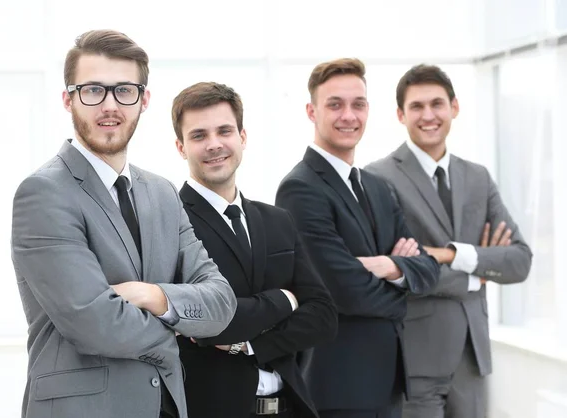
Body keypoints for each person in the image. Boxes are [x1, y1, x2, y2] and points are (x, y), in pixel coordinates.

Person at [11, 29, 237, 418]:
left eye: (124, 91)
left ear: (143, 99)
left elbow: (221, 302)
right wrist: (177, 329)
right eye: (93, 90)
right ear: (69, 99)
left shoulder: (163, 193)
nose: (109, 105)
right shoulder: (44, 193)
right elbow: (94, 323)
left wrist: (156, 297)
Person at [364, 64, 533, 418]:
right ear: (400, 114)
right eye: (417, 106)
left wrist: (450, 254)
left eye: (437, 104)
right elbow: (395, 271)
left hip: (472, 357)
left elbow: (519, 261)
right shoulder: (378, 177)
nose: (428, 115)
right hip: (414, 356)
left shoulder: (477, 177)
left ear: (454, 107)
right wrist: (478, 270)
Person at [275, 58, 440, 418]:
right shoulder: (300, 188)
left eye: (358, 104)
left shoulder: (377, 187)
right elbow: (341, 290)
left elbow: (427, 268)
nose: (348, 115)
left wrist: (390, 266)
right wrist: (403, 291)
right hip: (338, 386)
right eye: (335, 104)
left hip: (388, 383)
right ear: (311, 111)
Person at [171, 81, 338, 418]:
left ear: (242, 138)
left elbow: (323, 315)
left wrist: (251, 344)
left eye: (224, 131)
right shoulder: (170, 222)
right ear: (180, 146)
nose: (215, 144)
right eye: (199, 135)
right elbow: (202, 324)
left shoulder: (277, 220)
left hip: (289, 406)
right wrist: (284, 300)